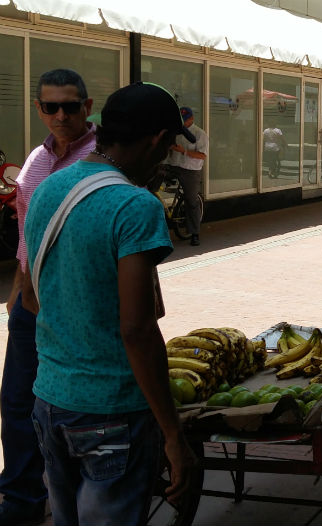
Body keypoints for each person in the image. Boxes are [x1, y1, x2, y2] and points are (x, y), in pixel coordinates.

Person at [22, 81, 198, 525]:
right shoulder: (134, 205)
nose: (168, 155)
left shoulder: (49, 188)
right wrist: (174, 437)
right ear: (157, 140)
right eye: (170, 144)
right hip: (111, 412)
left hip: (49, 402)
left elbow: (30, 296)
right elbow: (137, 329)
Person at [0, 68, 96, 526]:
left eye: (70, 106)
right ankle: (20, 498)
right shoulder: (37, 158)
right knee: (17, 400)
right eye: (50, 106)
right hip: (29, 303)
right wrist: (18, 288)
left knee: (70, 404)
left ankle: (75, 499)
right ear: (39, 108)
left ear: (88, 107)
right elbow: (25, 227)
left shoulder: (101, 159)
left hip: (74, 304)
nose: (60, 115)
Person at [164, 106, 208, 246]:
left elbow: (202, 155)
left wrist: (183, 151)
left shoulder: (199, 134)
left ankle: (195, 233)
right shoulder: (175, 131)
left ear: (191, 118)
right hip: (172, 165)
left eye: (185, 120)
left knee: (191, 200)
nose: (182, 123)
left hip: (190, 169)